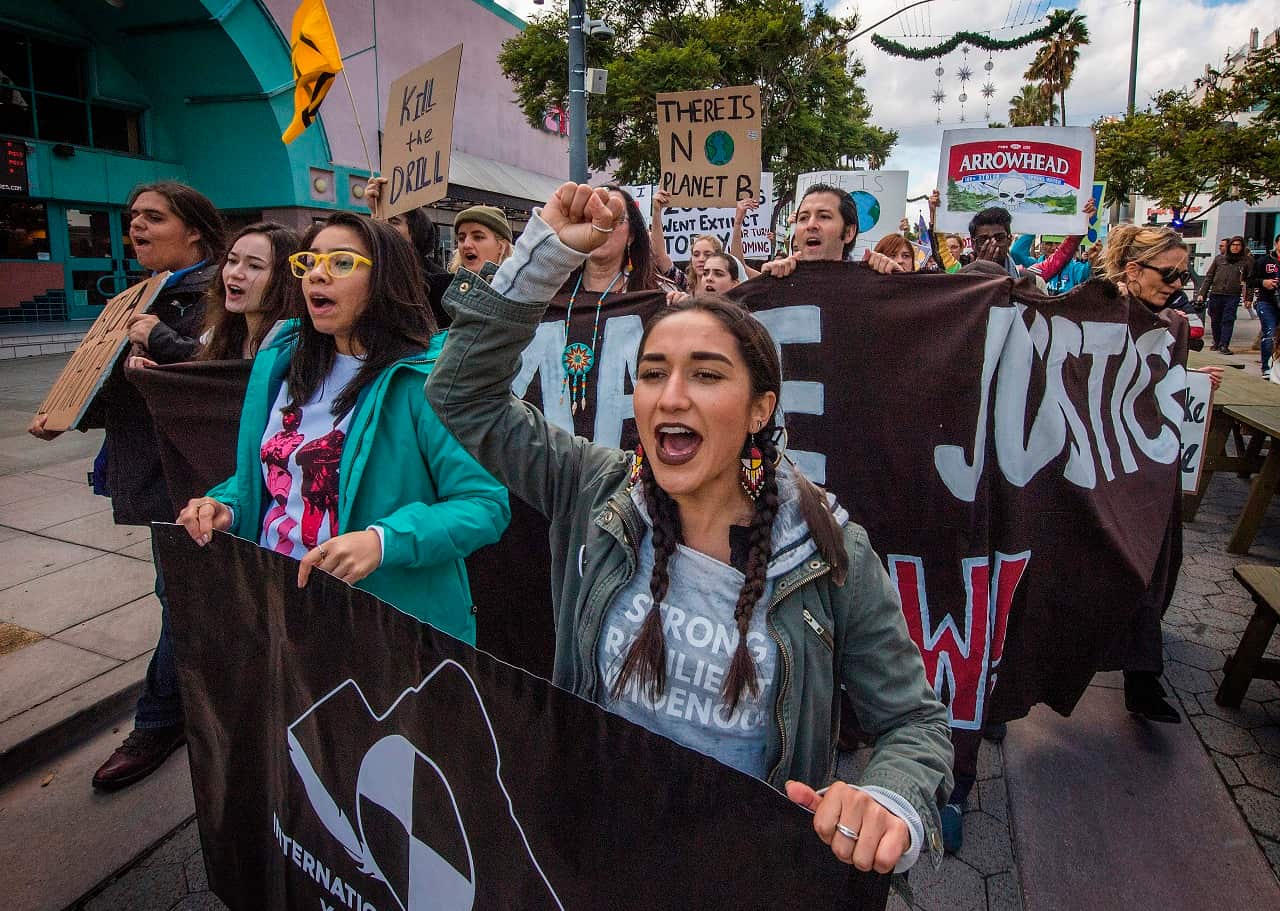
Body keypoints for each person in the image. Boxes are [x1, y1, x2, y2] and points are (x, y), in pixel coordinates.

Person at [426, 182, 954, 875]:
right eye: (651, 373)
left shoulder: (827, 549)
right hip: (589, 850)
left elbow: (915, 722)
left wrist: (889, 799)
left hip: (745, 872)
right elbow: (461, 393)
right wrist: (540, 255)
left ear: (761, 408)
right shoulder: (593, 488)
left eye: (706, 375)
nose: (671, 396)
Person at [176, 212, 509, 639]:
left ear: (386, 280)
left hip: (385, 630)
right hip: (279, 609)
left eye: (342, 262)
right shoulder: (281, 364)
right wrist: (226, 506)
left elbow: (484, 504)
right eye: (310, 262)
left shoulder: (426, 380)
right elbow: (276, 475)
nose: (318, 274)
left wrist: (382, 541)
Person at [29, 181, 225, 790]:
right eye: (133, 217)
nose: (136, 227)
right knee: (184, 593)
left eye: (153, 218)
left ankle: (161, 720)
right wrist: (67, 412)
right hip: (147, 462)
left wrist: (157, 341)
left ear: (193, 230)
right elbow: (109, 382)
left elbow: (225, 368)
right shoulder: (139, 295)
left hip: (195, 471)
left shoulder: (218, 290)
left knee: (179, 593)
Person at [187, 222, 300, 362]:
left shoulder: (297, 346)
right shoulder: (216, 337)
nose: (235, 273)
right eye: (232, 261)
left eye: (254, 266)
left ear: (286, 278)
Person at [362, 176, 453, 327]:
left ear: (414, 233)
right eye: (378, 219)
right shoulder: (364, 273)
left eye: (393, 221)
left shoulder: (440, 284)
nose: (382, 226)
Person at [650, 189, 723, 290]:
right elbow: (659, 256)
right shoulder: (686, 284)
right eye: (696, 255)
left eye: (708, 254)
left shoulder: (727, 290)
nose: (701, 259)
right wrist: (656, 211)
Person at [1198, 236, 1254, 354]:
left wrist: (1249, 298)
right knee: (1215, 319)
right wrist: (1202, 293)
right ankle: (1217, 341)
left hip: (1232, 295)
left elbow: (1250, 281)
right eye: (1233, 245)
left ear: (1242, 247)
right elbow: (1209, 277)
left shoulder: (1246, 261)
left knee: (1228, 319)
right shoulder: (1219, 259)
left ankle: (1224, 344)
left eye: (1238, 245)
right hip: (1216, 293)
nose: (1235, 247)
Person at [1248, 233, 1280, 376]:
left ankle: (1276, 367)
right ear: (1276, 243)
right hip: (1267, 301)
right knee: (1270, 331)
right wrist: (1263, 282)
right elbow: (1250, 280)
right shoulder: (1264, 261)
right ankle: (1266, 368)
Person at [449, 205, 514, 274]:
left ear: (501, 247)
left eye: (478, 237)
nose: (466, 245)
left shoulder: (518, 284)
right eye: (461, 238)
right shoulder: (441, 283)